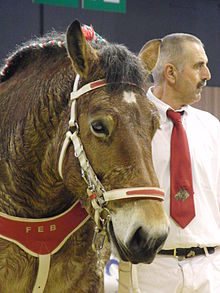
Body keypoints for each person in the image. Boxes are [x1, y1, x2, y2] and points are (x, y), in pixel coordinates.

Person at [137, 33, 220, 292]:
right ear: (170, 73)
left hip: (209, 268)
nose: (207, 74)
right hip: (151, 271)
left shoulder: (212, 126)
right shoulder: (132, 125)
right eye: (198, 66)